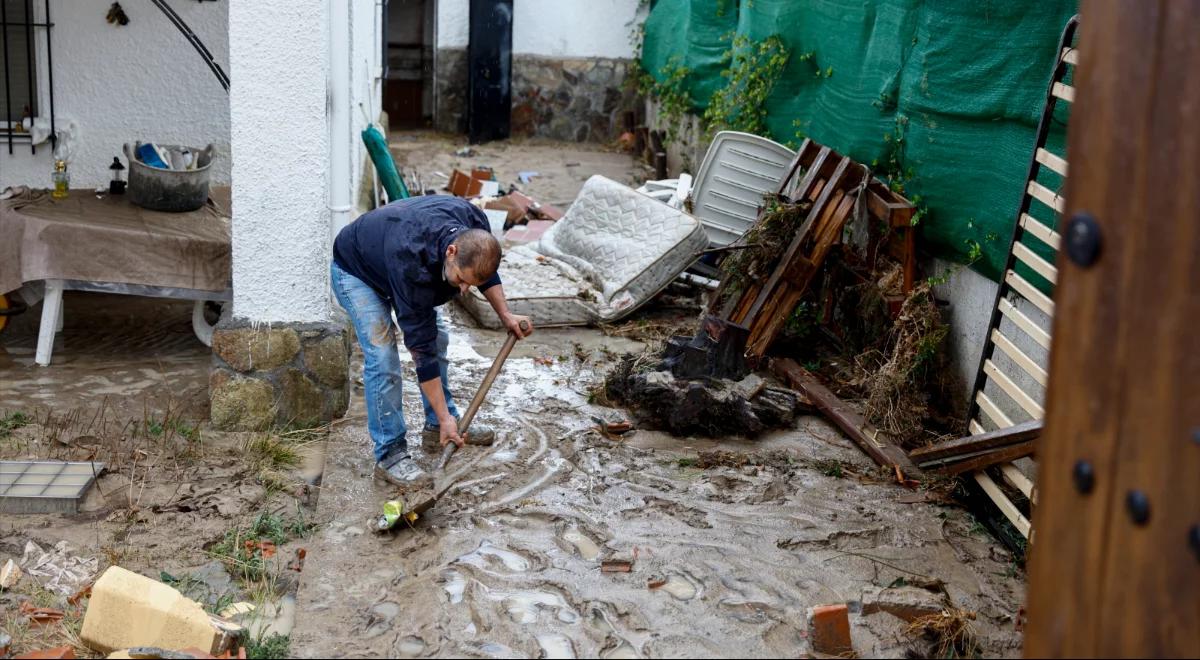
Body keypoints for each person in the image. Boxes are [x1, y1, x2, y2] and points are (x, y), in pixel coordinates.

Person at [330, 195, 532, 485]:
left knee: (440, 338)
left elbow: (483, 272)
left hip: (391, 253)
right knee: (383, 356)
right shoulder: (413, 263)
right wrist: (448, 416)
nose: (464, 290)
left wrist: (506, 315)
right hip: (356, 270)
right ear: (451, 251)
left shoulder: (475, 228)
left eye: (470, 284)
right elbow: (421, 352)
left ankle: (437, 426)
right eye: (462, 279)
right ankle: (391, 455)